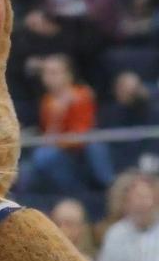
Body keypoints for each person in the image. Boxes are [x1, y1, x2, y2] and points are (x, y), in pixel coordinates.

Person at [14, 0, 121, 95]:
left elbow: (97, 16)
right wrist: (38, 18)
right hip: (55, 42)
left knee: (82, 36)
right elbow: (45, 11)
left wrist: (60, 18)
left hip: (89, 45)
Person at [19, 54, 115, 193]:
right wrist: (57, 115)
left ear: (68, 75)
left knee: (45, 156)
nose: (48, 77)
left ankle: (109, 184)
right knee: (36, 160)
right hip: (60, 145)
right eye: (46, 73)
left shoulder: (82, 94)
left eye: (54, 72)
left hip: (81, 144)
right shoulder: (47, 101)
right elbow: (49, 135)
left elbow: (82, 130)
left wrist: (61, 139)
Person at [97, 171, 159, 261]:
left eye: (147, 197)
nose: (143, 203)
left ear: (156, 200)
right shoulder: (115, 234)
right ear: (126, 201)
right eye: (138, 197)